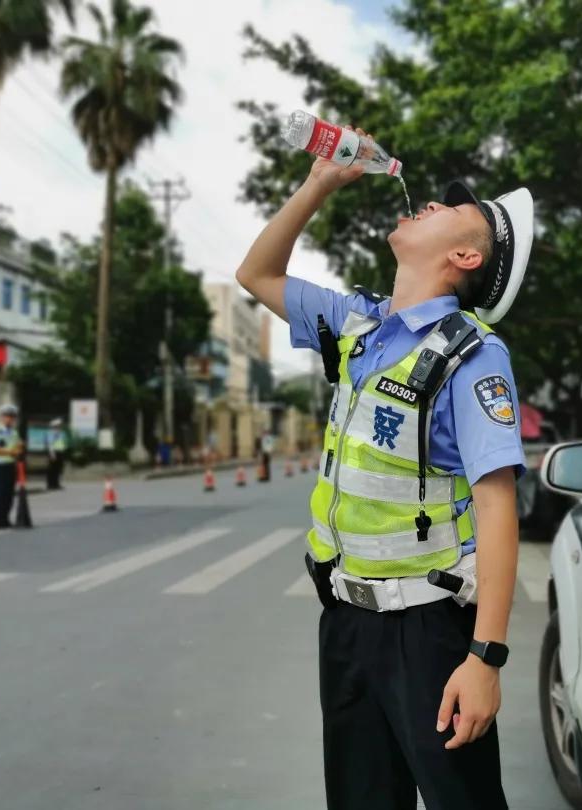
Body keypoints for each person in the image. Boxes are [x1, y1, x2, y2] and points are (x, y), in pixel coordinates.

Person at [236, 126, 534, 810]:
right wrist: (318, 184)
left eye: (455, 209)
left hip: (426, 631)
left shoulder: (472, 354)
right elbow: (256, 275)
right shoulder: (355, 325)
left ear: (462, 255)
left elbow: (497, 508)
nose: (430, 201)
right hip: (344, 620)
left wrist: (485, 659)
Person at [0, 403, 23, 529]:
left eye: (12, 416)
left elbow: (18, 444)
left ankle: (5, 519)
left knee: (8, 493)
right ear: (1, 417)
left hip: (10, 465)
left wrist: (19, 449)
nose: (9, 419)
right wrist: (11, 452)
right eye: (7, 416)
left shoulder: (14, 432)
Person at [46, 418, 67, 490]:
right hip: (54, 452)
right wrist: (52, 454)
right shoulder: (51, 433)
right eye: (58, 426)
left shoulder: (61, 433)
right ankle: (50, 484)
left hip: (60, 452)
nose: (59, 427)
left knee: (58, 469)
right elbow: (50, 444)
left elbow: (62, 443)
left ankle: (56, 484)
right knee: (52, 469)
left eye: (60, 425)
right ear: (54, 426)